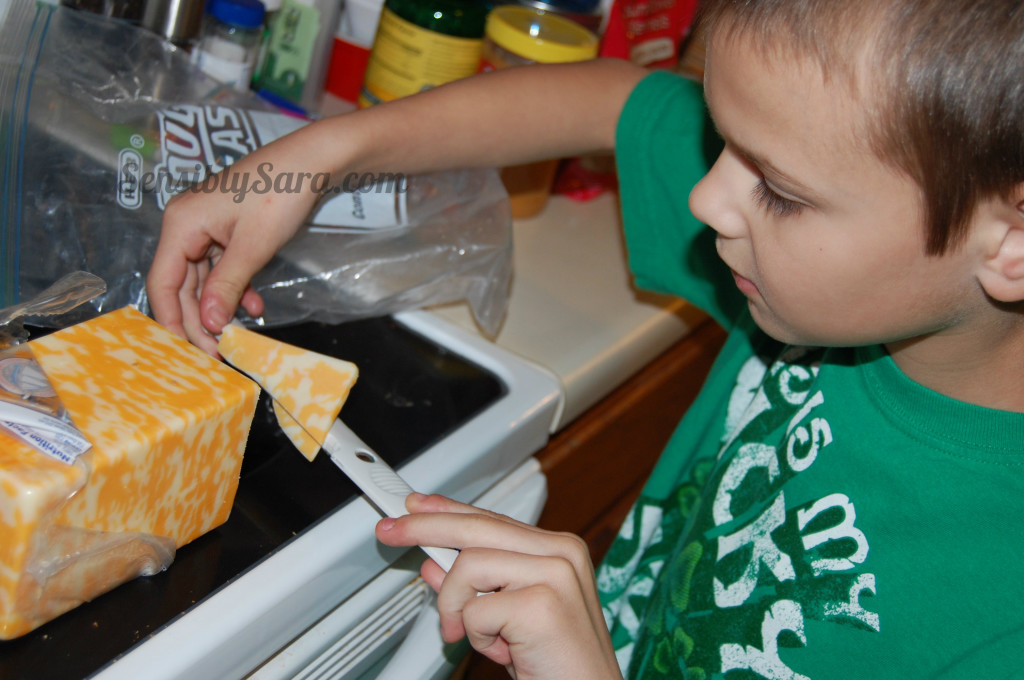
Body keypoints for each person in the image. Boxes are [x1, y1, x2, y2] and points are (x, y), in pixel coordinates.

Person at [147, 0, 1024, 677]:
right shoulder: (860, 276)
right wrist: (319, 158)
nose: (707, 200)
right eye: (723, 141)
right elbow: (609, 102)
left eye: (781, 193)